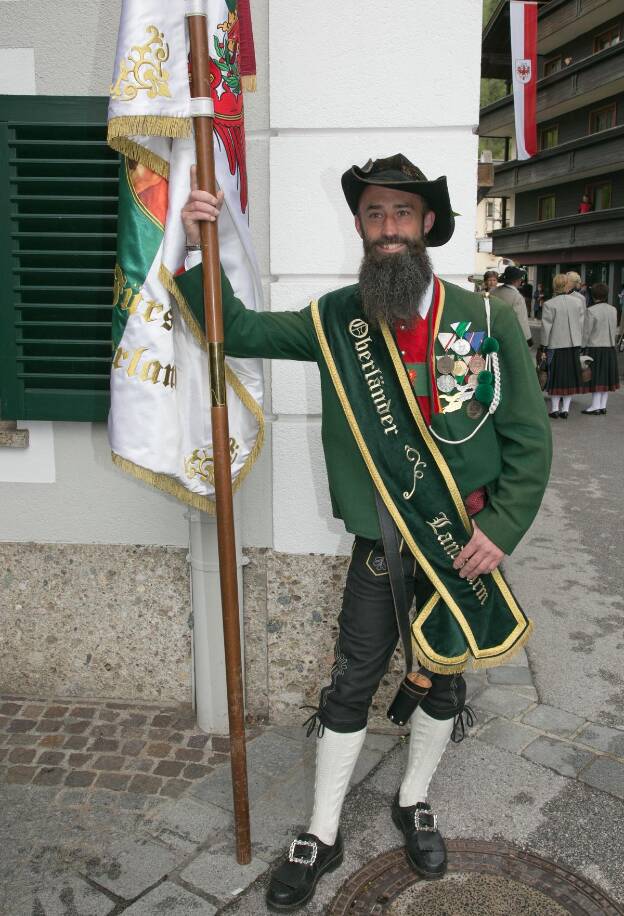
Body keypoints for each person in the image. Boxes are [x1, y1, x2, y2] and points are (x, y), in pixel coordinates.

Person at [178, 154, 552, 911]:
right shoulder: (335, 320)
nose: (388, 229)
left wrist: (504, 527)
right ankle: (321, 831)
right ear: (360, 226)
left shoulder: (487, 321)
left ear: (427, 229)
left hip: (461, 542)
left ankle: (414, 800)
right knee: (352, 681)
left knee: (446, 674)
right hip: (382, 544)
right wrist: (197, 250)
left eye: (401, 215)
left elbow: (528, 436)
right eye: (375, 215)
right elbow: (238, 329)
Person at [541, 273, 586, 418]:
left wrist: (543, 346)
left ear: (554, 286)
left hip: (555, 344)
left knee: (555, 377)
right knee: (570, 377)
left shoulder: (549, 304)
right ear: (567, 285)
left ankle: (554, 409)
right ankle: (565, 409)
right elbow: (581, 324)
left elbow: (546, 328)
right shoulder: (578, 302)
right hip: (574, 344)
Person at [581, 282, 620, 415]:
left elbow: (586, 332)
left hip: (595, 347)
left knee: (597, 377)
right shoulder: (613, 309)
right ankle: (602, 406)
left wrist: (581, 347)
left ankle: (595, 406)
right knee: (606, 378)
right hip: (610, 347)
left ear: (593, 295)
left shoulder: (591, 310)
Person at [491, 265, 533, 345]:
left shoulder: (493, 292)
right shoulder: (517, 297)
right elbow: (522, 321)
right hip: (509, 336)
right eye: (520, 278)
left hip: (492, 333)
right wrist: (528, 339)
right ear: (516, 280)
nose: (521, 280)